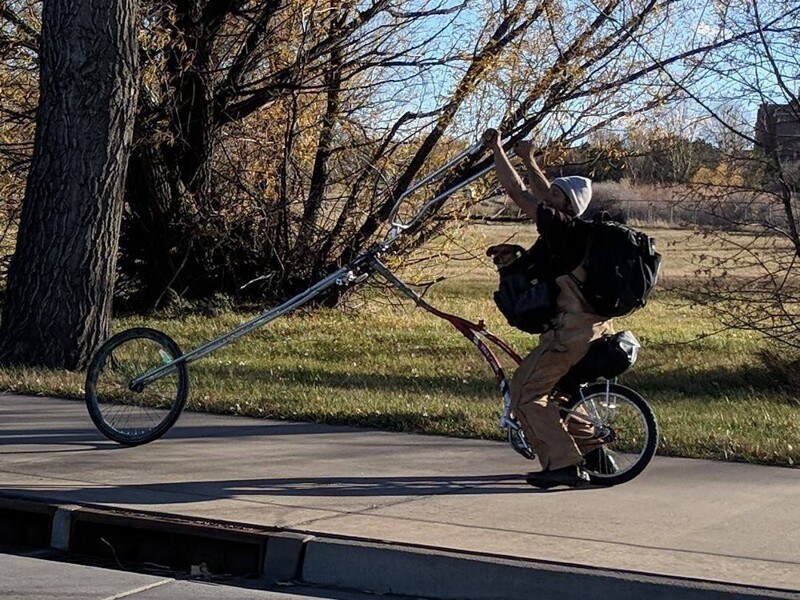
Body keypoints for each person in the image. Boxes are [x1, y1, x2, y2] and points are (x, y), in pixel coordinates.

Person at [482, 128, 613, 488]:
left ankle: (564, 465)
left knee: (527, 393)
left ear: (567, 204)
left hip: (568, 333)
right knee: (557, 394)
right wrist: (528, 158)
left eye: (556, 193)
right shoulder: (573, 230)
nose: (546, 193)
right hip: (588, 328)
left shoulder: (562, 228)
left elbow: (518, 192)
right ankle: (597, 455)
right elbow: (542, 193)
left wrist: (497, 150)